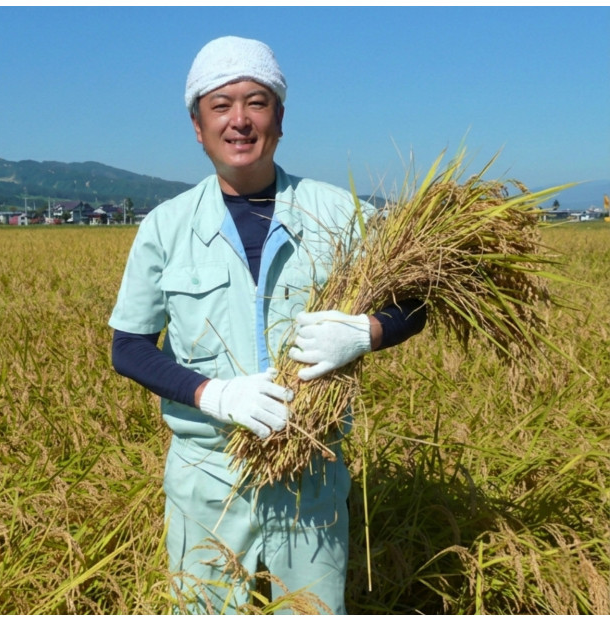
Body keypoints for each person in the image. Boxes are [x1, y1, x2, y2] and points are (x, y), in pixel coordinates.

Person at [108, 36, 426, 614]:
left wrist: (365, 333)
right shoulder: (165, 226)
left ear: (280, 117)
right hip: (206, 479)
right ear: (197, 125)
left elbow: (417, 302)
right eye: (220, 105)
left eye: (256, 102)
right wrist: (214, 393)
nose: (239, 120)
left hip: (311, 475)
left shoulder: (340, 213)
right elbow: (128, 347)